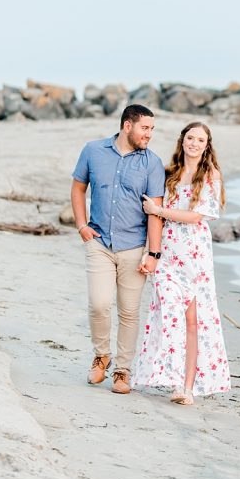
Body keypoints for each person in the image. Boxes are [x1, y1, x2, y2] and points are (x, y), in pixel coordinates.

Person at [130, 121, 231, 405]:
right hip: (167, 253)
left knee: (191, 322)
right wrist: (151, 252)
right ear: (182, 140)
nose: (194, 143)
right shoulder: (169, 173)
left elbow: (198, 216)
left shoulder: (210, 174)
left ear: (206, 144)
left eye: (200, 139)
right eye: (190, 138)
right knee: (168, 317)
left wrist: (159, 209)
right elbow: (154, 218)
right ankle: (171, 379)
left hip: (195, 256)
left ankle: (185, 387)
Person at [72, 104, 165, 394]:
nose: (149, 134)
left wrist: (153, 253)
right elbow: (78, 188)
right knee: (99, 304)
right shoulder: (93, 150)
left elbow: (156, 212)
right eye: (145, 128)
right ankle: (101, 356)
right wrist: (81, 225)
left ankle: (123, 371)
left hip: (134, 247)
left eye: (151, 129)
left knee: (128, 311)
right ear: (128, 126)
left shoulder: (152, 163)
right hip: (99, 242)